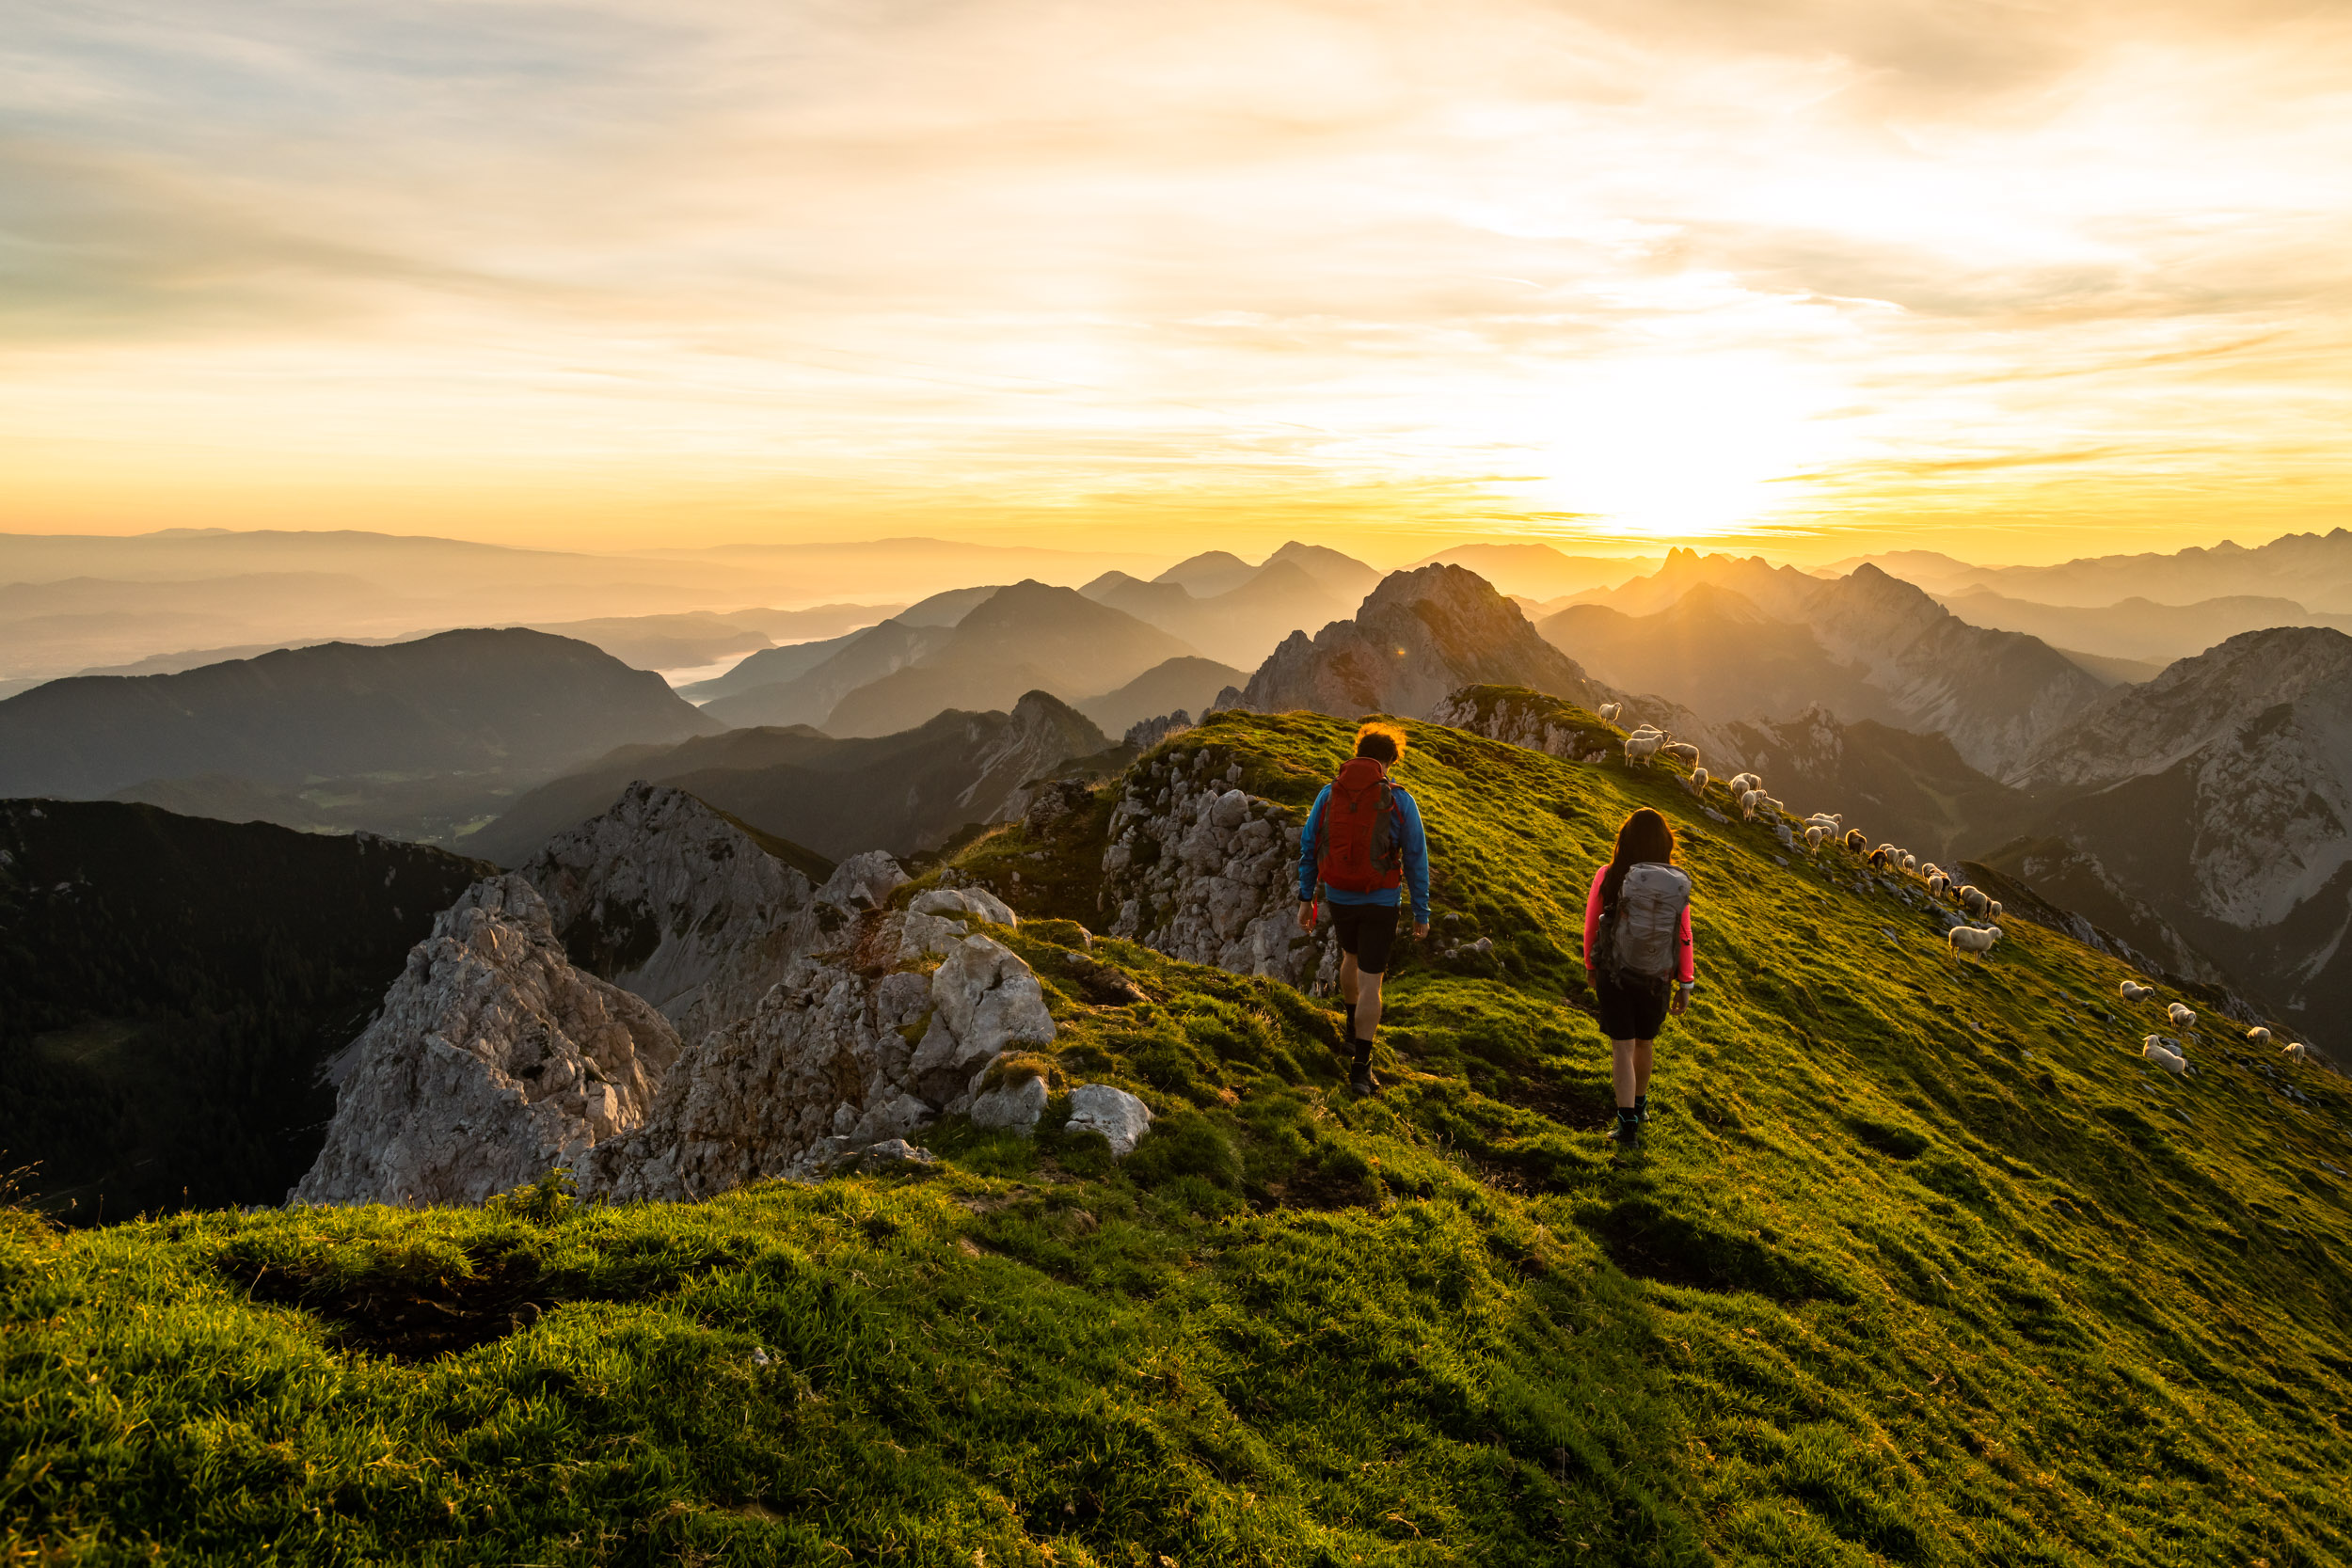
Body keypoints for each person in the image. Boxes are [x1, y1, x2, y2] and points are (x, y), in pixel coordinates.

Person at [1296, 721, 1431, 1097]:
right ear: (1389, 762)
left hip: (1339, 896)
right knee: (1373, 979)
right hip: (1381, 899)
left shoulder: (1328, 794)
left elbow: (1309, 845)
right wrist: (1421, 912)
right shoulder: (1399, 799)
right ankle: (1361, 1067)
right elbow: (1416, 858)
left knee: (1349, 957)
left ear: (1358, 754)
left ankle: (1350, 1030)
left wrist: (1307, 898)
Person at [1582, 807, 1696, 1148]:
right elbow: (1684, 934)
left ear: (1625, 839)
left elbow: (1592, 924)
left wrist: (1591, 966)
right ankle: (1641, 1106)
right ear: (1665, 843)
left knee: (1622, 1047)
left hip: (1615, 972)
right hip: (1657, 977)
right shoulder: (1674, 884)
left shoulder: (1609, 874)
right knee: (1645, 1043)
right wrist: (1685, 981)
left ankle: (1626, 1124)